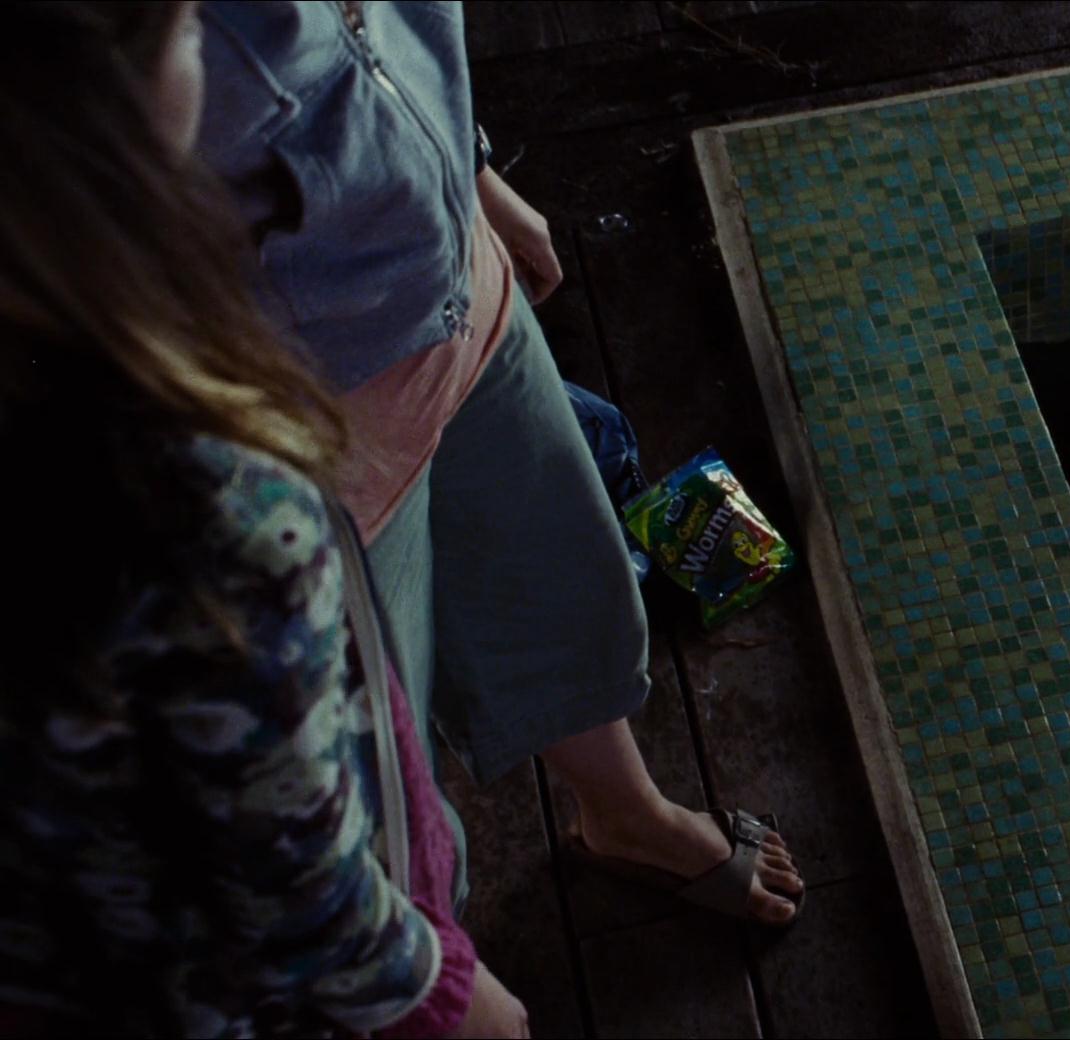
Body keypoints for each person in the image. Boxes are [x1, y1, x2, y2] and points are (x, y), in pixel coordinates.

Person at [194, 1, 803, 925]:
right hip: (317, 439)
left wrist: (469, 166)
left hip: (461, 292)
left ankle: (626, 814)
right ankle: (430, 958)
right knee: (380, 800)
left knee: (559, 573)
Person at [0, 2, 527, 1033]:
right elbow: (306, 903)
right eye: (189, 28)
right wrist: (461, 1002)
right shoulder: (211, 511)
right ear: (106, 110)